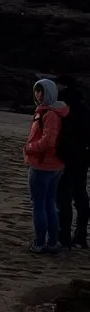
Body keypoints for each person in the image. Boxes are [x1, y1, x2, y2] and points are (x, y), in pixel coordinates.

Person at [26, 78, 70, 253]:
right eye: (36, 90)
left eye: (40, 91)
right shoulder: (56, 111)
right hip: (55, 165)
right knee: (49, 203)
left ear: (48, 93)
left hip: (43, 165)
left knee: (39, 205)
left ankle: (41, 242)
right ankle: (52, 241)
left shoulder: (49, 113)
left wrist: (29, 148)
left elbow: (48, 141)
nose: (37, 94)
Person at [59, 78, 88, 249]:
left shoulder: (65, 110)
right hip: (82, 158)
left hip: (68, 158)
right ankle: (81, 234)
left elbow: (63, 136)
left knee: (64, 197)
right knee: (80, 195)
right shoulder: (85, 110)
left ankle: (64, 234)